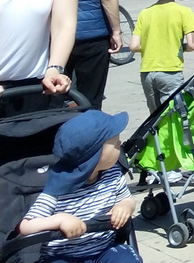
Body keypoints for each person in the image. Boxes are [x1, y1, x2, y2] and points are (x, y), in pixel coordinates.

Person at [18, 108, 137, 263]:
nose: (120, 144)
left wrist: (125, 206)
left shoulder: (112, 174)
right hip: (61, 256)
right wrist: (59, 220)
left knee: (127, 258)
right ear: (95, 156)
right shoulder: (57, 188)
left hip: (103, 249)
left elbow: (126, 199)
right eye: (115, 143)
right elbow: (26, 226)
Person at [131, 0, 194, 111]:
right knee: (174, 115)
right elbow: (193, 44)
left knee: (154, 117)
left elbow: (134, 45)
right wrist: (178, 47)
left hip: (147, 72)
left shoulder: (144, 13)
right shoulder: (184, 12)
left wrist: (152, 45)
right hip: (171, 71)